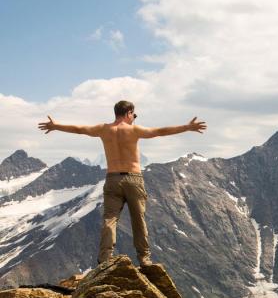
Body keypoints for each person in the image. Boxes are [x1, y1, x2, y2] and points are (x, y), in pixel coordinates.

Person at [38, 100, 207, 266]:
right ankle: (144, 258)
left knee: (109, 219)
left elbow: (79, 129)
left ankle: (105, 257)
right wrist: (187, 127)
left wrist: (56, 126)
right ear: (128, 113)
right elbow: (159, 131)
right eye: (134, 114)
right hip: (133, 178)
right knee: (138, 219)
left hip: (112, 178)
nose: (134, 117)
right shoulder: (134, 130)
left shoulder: (103, 129)